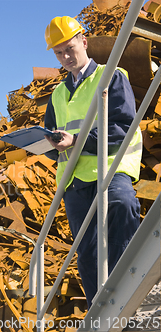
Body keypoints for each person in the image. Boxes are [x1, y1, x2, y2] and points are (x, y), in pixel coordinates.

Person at [42, 16, 142, 308]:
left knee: (124, 205)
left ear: (84, 42)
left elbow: (122, 127)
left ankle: (130, 298)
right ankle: (100, 311)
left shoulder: (112, 77)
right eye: (58, 53)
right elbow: (54, 139)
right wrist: (46, 144)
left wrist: (76, 140)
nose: (65, 57)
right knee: (87, 252)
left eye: (69, 48)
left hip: (110, 172)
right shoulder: (58, 94)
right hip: (75, 182)